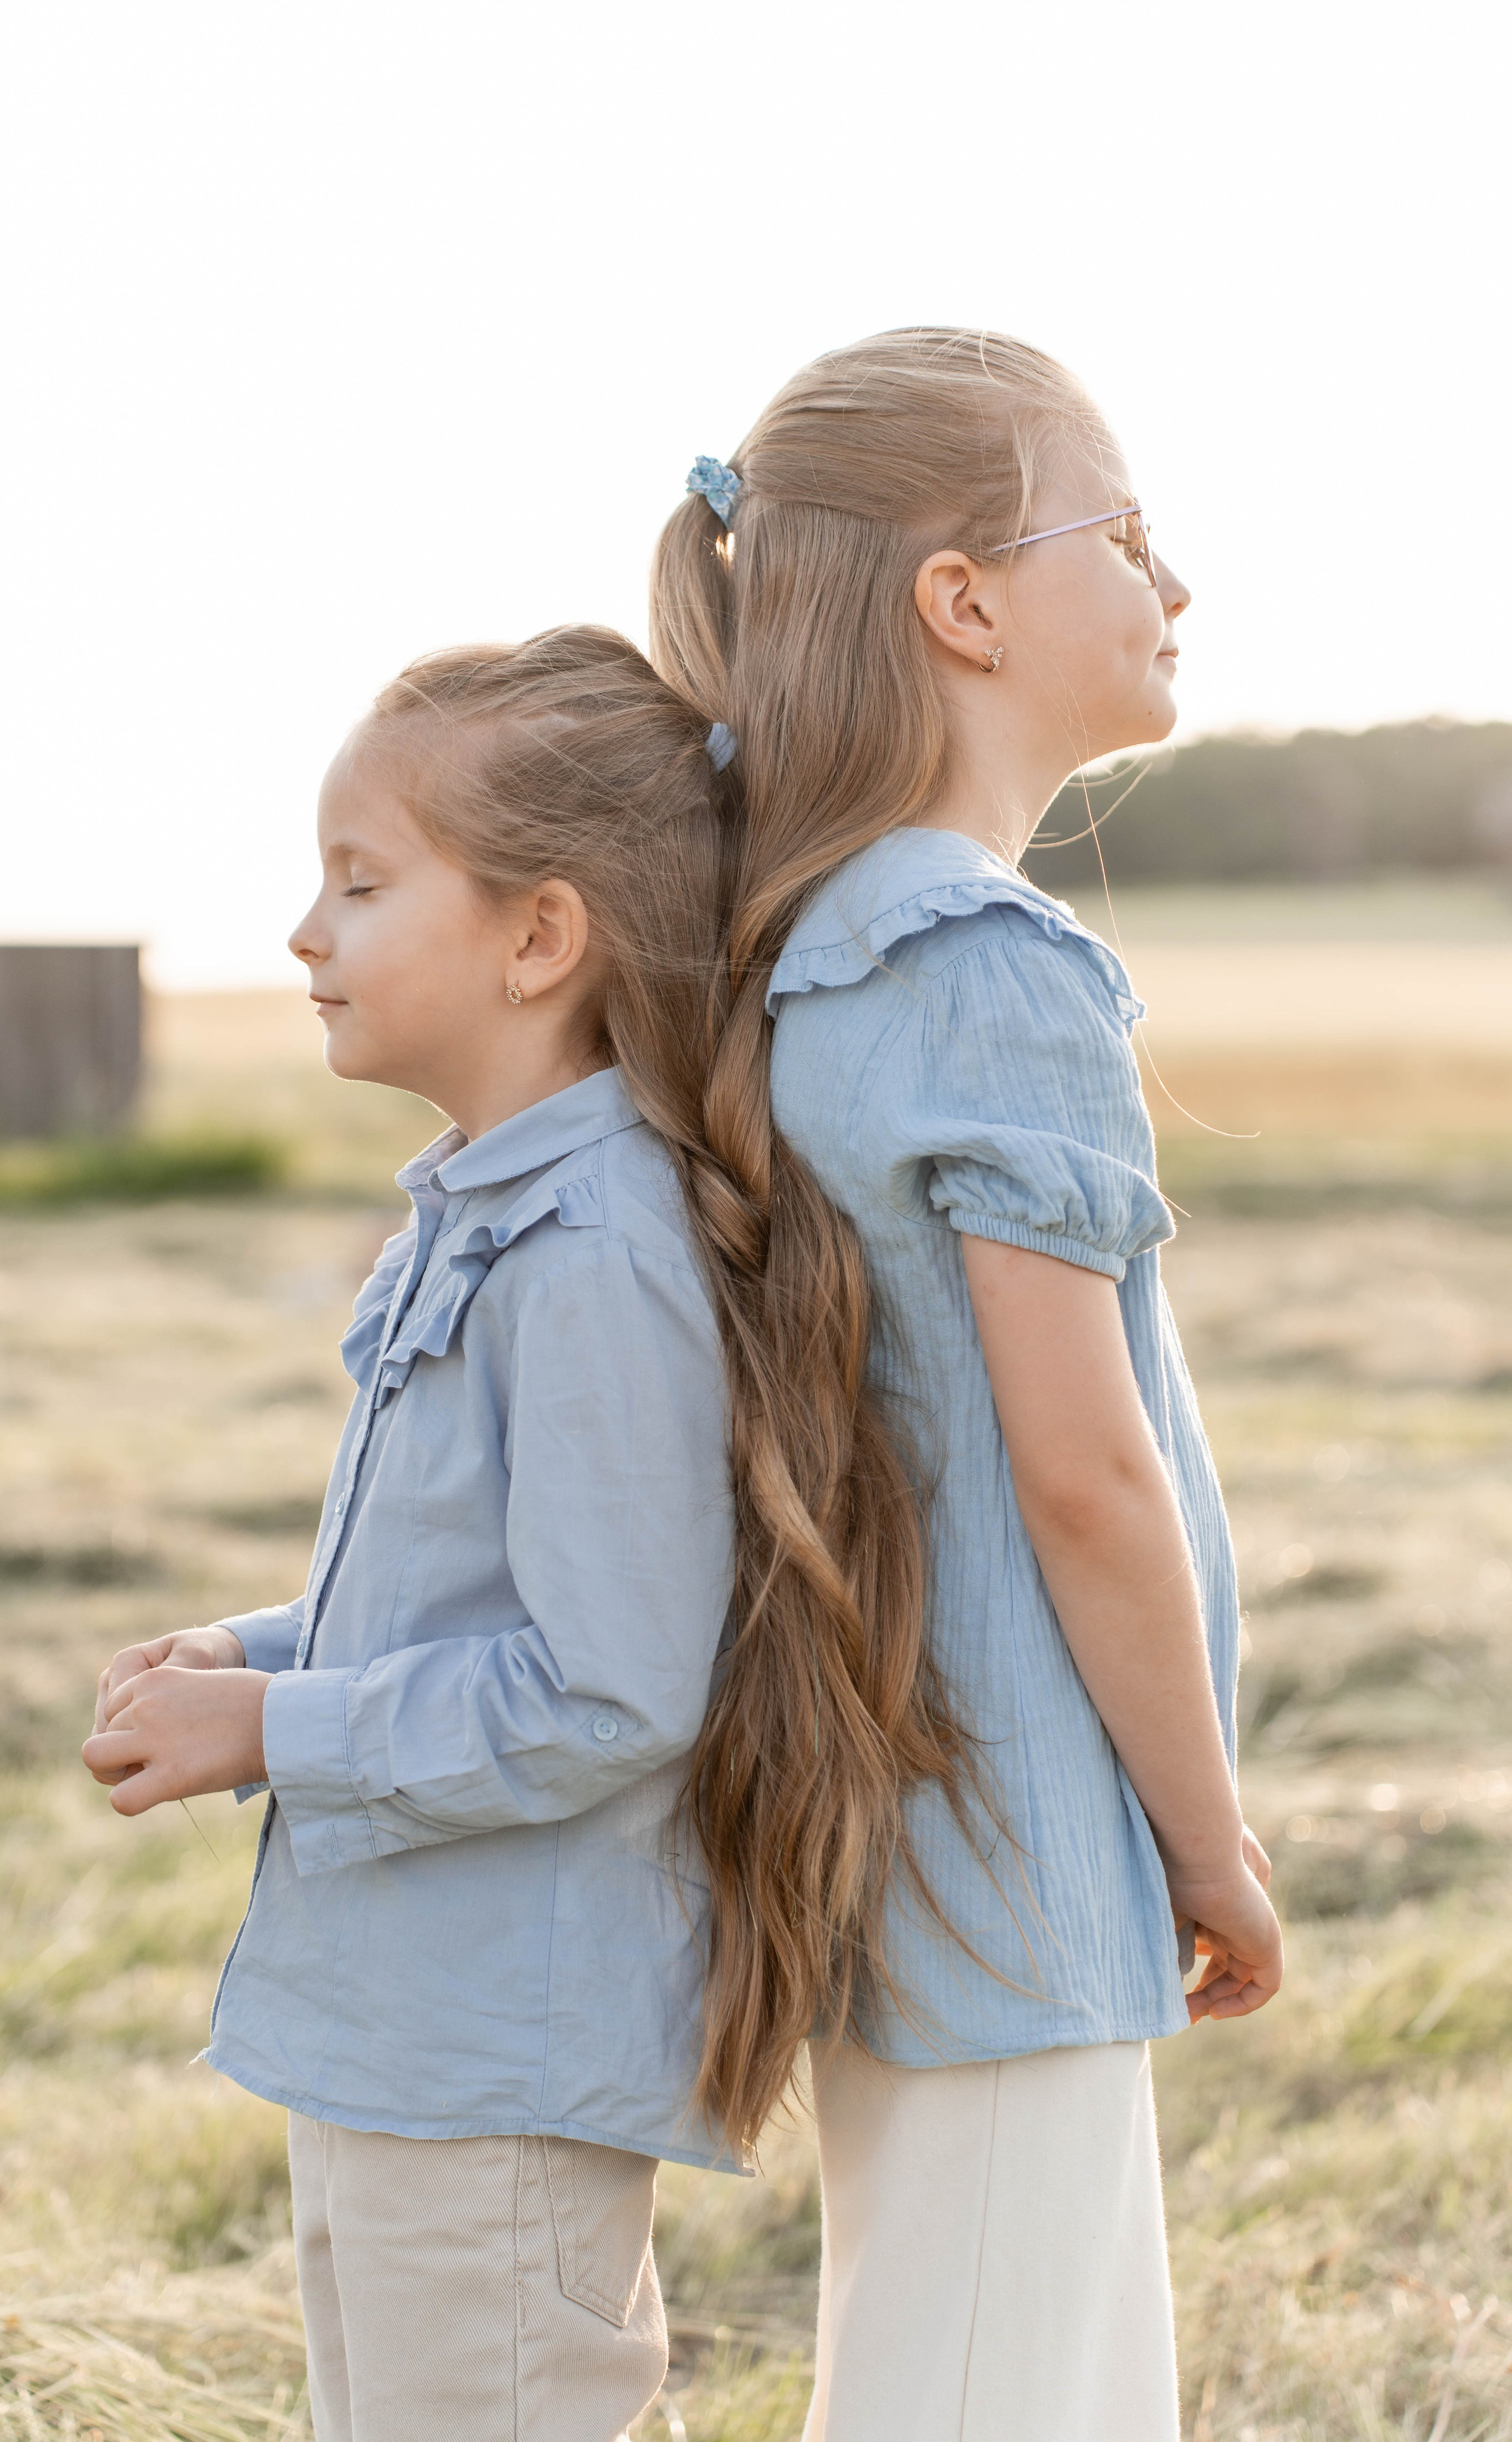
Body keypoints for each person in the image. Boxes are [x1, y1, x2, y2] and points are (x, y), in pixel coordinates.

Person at [81, 626, 919, 2441]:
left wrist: (277, 1733)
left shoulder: (597, 1254)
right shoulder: (480, 1216)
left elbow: (612, 1687)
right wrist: (255, 1655)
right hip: (394, 2032)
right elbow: (455, 1595)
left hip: (494, 2065)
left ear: (542, 939)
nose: (308, 931)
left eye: (362, 884)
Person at [650, 331, 1286, 2442]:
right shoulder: (998, 965)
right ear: (967, 601)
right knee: (1019, 2392)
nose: (1172, 579)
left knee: (935, 2359)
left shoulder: (801, 939)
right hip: (1028, 1825)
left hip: (876, 1798)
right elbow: (1085, 1475)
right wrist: (1208, 1841)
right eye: (1124, 527)